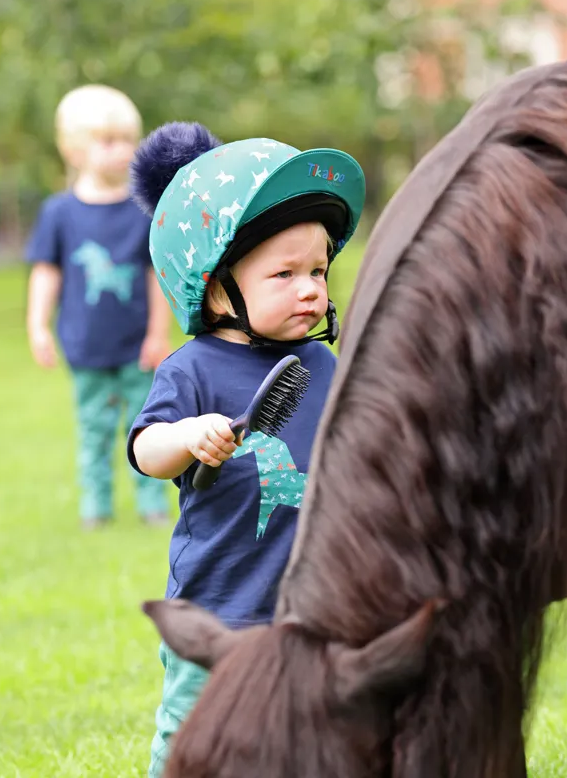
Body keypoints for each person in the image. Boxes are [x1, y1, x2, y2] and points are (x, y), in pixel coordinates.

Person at [126, 121, 365, 776]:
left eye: (317, 270)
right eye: (284, 274)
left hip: (314, 608)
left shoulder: (323, 365)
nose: (311, 289)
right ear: (214, 287)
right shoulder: (191, 370)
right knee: (195, 737)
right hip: (217, 610)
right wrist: (186, 436)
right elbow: (146, 450)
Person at [25, 84, 172, 530]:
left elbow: (155, 276)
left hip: (137, 348)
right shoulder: (59, 213)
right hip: (85, 347)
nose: (122, 150)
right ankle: (97, 507)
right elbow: (46, 272)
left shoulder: (144, 211)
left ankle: (153, 503)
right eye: (108, 141)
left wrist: (158, 335)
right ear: (73, 150)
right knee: (93, 429)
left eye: (129, 139)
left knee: (147, 426)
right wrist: (38, 326)